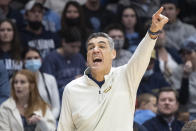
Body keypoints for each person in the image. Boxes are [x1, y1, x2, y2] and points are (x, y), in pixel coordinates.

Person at [57, 7, 168, 131]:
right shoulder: (71, 89)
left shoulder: (126, 76)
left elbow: (141, 55)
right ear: (87, 57)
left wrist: (153, 31)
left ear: (113, 54)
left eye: (102, 46)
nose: (95, 50)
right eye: (91, 47)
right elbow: (64, 128)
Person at [41, 27, 86, 101]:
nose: (76, 50)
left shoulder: (79, 57)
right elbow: (48, 84)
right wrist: (73, 80)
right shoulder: (51, 58)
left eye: (78, 47)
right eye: (73, 46)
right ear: (64, 42)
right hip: (58, 96)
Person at [23, 47, 60, 120]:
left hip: (48, 121)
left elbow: (56, 107)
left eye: (36, 57)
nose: (33, 61)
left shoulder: (50, 79)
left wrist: (47, 120)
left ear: (41, 60)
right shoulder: (16, 81)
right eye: (29, 58)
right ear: (23, 61)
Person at [178, 34, 196, 120]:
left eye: (189, 53)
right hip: (189, 113)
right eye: (183, 54)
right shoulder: (177, 71)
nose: (185, 56)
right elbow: (182, 100)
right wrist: (185, 76)